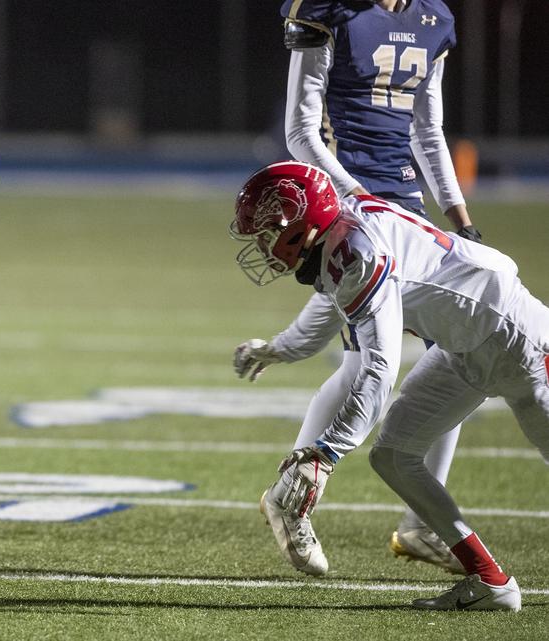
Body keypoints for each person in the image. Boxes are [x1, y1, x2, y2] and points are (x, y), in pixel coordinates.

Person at [230, 160, 547, 610]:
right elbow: (327, 314)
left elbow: (379, 370)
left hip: (520, 339)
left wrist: (326, 453)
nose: (262, 246)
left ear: (299, 226)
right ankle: (491, 582)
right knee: (395, 455)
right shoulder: (338, 238)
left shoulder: (358, 255)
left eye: (267, 233)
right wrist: (277, 349)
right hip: (466, 348)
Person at [277, 0, 478, 574]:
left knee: (460, 352)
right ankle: (293, 500)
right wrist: (355, 199)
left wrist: (460, 217)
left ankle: (420, 523)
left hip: (407, 209)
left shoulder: (433, 17)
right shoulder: (326, 12)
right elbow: (300, 132)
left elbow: (428, 128)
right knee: (367, 360)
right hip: (350, 202)